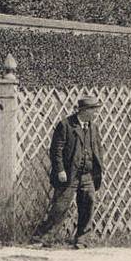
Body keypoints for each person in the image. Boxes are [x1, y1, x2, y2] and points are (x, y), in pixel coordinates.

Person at [30, 95, 105, 249]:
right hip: (69, 174)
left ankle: (82, 240)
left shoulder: (94, 127)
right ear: (84, 110)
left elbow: (97, 149)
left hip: (87, 175)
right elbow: (56, 150)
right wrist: (60, 170)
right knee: (60, 207)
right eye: (94, 110)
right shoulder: (65, 125)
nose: (96, 113)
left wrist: (97, 169)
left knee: (87, 205)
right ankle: (42, 239)